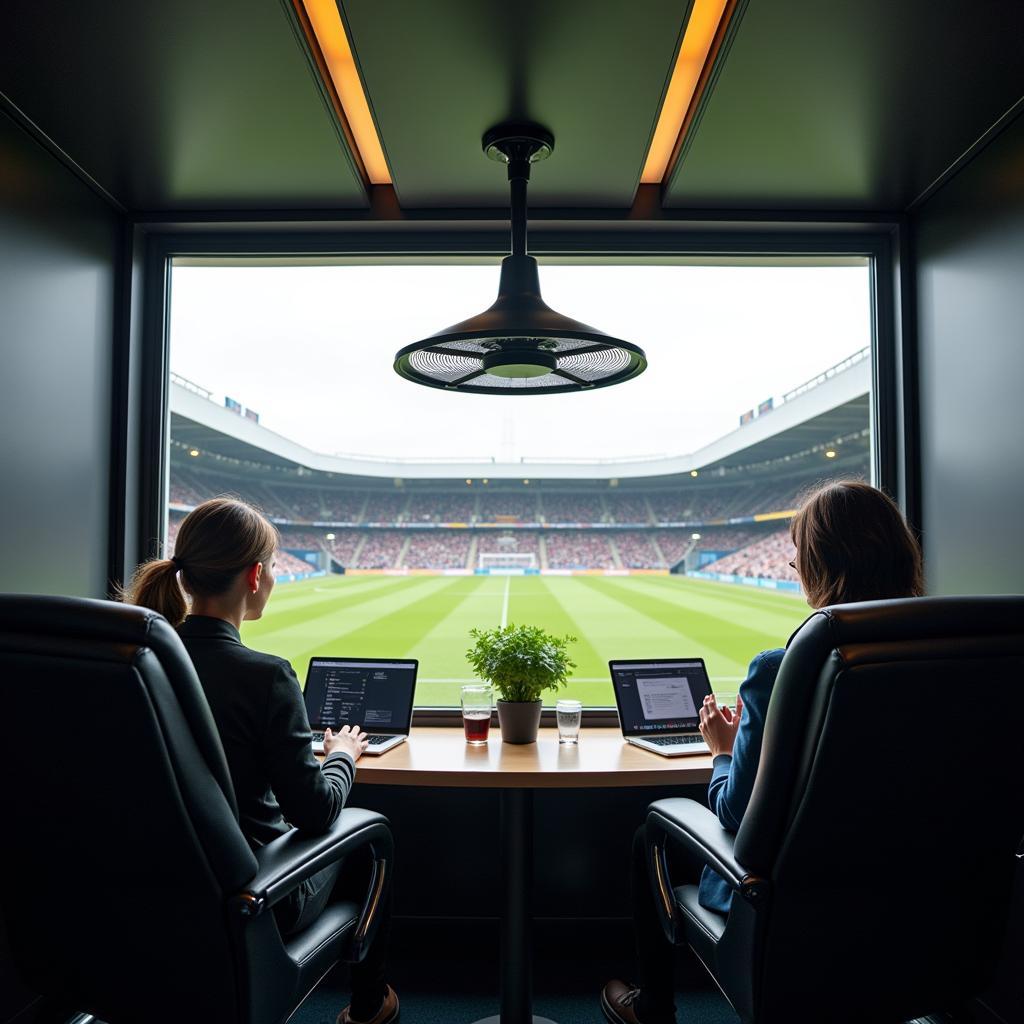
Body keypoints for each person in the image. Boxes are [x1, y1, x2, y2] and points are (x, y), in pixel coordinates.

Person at [601, 480, 924, 1024]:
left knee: (650, 834)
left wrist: (723, 750)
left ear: (822, 567)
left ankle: (653, 1007)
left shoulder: (780, 670)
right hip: (926, 906)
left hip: (793, 910)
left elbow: (733, 813)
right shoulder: (953, 660)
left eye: (799, 566)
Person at [123, 498, 398, 1024]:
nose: (272, 576)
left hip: (149, 889)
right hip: (251, 893)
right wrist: (342, 757)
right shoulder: (265, 676)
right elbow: (316, 812)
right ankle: (369, 1006)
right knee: (370, 842)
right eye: (271, 565)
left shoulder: (141, 667)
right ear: (254, 575)